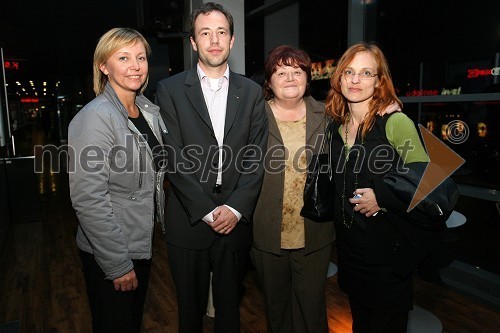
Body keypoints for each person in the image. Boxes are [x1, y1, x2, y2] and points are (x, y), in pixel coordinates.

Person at [154, 3, 268, 333]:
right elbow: (173, 157)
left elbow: (256, 156)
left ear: (232, 40)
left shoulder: (251, 92)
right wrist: (206, 210)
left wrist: (234, 208)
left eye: (221, 32)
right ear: (193, 42)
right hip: (188, 220)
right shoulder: (170, 90)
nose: (214, 40)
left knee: (230, 313)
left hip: (235, 220)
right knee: (189, 315)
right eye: (205, 33)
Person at [325, 42, 431, 333]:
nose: (355, 80)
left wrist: (382, 197)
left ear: (379, 80)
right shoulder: (335, 127)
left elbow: (426, 180)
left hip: (388, 255)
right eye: (349, 71)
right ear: (340, 78)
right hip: (350, 251)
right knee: (361, 324)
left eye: (366, 72)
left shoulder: (395, 123)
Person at [68, 28, 167, 332]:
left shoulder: (148, 111)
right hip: (112, 252)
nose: (135, 66)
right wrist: (117, 264)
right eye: (123, 58)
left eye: (140, 57)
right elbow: (88, 198)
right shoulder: (97, 116)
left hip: (140, 245)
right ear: (103, 66)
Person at [250, 45, 335, 333]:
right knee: (277, 309)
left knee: (312, 311)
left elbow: (364, 124)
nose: (289, 78)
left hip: (314, 231)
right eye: (281, 72)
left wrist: (389, 105)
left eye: (296, 71)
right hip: (266, 231)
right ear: (269, 81)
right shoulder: (252, 117)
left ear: (307, 78)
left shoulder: (328, 115)